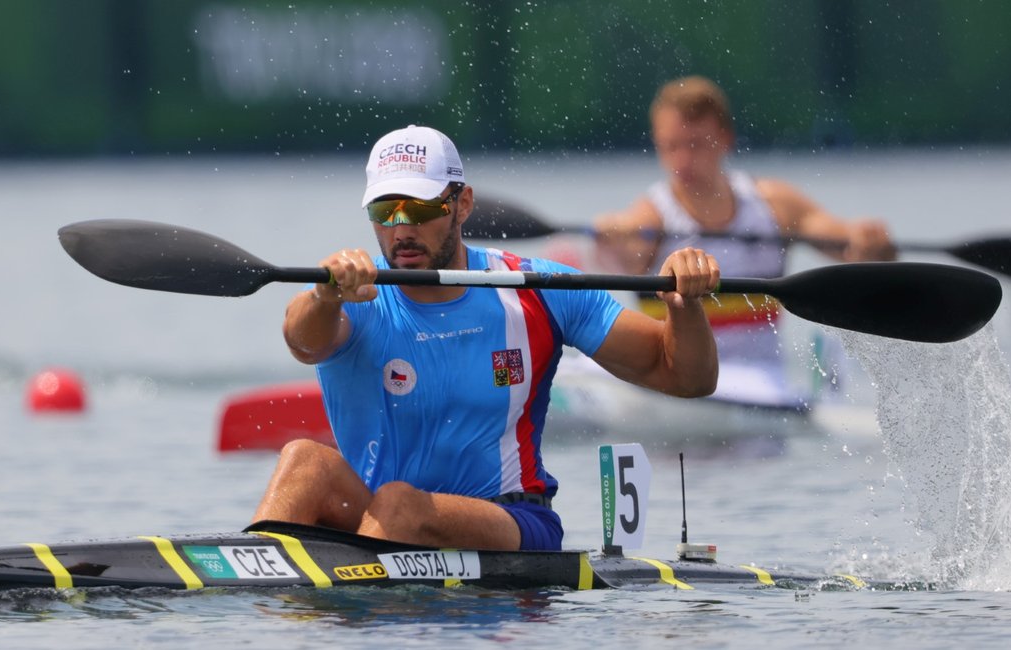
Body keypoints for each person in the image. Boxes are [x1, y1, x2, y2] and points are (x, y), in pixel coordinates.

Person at [252, 124, 722, 552]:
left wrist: (685, 308)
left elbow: (686, 377)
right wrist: (323, 295)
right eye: (385, 211)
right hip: (380, 518)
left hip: (513, 521)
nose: (402, 229)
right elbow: (303, 340)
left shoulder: (536, 289)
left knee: (400, 504)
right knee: (304, 460)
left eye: (419, 208)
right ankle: (254, 593)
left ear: (463, 204)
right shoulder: (354, 297)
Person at [593, 76, 895, 406]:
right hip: (678, 380)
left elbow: (846, 246)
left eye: (695, 145)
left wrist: (865, 242)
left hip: (764, 384)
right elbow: (622, 259)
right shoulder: (650, 217)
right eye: (670, 146)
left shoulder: (775, 204)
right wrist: (610, 238)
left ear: (725, 139)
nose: (681, 161)